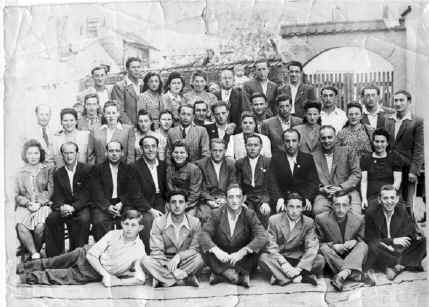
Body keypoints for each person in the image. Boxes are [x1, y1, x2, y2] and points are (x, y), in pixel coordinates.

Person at [17, 209, 146, 286]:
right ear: (122, 224)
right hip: (85, 254)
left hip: (93, 272)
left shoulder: (139, 249)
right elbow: (91, 255)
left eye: (133, 225)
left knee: (58, 276)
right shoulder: (113, 234)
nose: (129, 228)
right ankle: (22, 268)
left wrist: (116, 282)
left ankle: (23, 278)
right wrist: (106, 274)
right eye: (126, 224)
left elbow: (140, 278)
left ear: (140, 228)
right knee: (54, 262)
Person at [199, 184, 268, 288]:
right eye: (231, 197)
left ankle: (220, 273)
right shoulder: (216, 213)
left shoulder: (249, 214)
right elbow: (204, 234)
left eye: (238, 196)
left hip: (241, 256)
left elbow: (262, 236)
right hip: (222, 255)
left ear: (243, 198)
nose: (234, 200)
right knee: (205, 247)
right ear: (226, 199)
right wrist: (217, 251)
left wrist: (243, 251)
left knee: (258, 249)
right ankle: (237, 275)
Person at [140, 191, 204, 288]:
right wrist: (172, 269)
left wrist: (179, 257)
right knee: (145, 260)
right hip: (164, 261)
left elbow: (195, 249)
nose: (177, 205)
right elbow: (156, 251)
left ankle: (163, 279)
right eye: (173, 202)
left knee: (201, 258)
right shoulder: (158, 222)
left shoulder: (195, 222)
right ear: (168, 205)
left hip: (184, 261)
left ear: (186, 205)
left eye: (181, 202)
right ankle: (184, 278)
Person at [259, 193, 324, 286]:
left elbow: (312, 247)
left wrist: (298, 269)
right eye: (291, 206)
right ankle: (300, 277)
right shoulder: (274, 220)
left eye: (298, 207)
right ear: (285, 207)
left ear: (303, 208)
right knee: (263, 258)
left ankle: (280, 276)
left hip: (297, 258)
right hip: (280, 258)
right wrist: (284, 264)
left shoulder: (308, 222)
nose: (294, 211)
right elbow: (271, 245)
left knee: (320, 260)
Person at [365, 185, 426, 280]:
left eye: (392, 198)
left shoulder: (402, 210)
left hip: (398, 250)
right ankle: (404, 264)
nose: (389, 201)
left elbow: (409, 232)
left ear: (397, 199)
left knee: (422, 241)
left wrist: (414, 235)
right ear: (379, 199)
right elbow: (371, 238)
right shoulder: (371, 213)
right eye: (385, 198)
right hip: (383, 248)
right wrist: (392, 241)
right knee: (373, 246)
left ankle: (396, 266)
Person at [316, 195, 374, 291]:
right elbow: (317, 243)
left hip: (352, 256)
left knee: (363, 245)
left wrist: (355, 241)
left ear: (350, 206)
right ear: (331, 205)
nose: (341, 209)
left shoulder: (359, 219)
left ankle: (342, 274)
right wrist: (333, 246)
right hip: (333, 257)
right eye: (337, 205)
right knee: (323, 248)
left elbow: (361, 239)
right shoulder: (321, 219)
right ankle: (356, 275)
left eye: (344, 205)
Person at [45, 142, 92, 257]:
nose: (69, 156)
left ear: (77, 154)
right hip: (65, 206)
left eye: (71, 153)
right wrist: (61, 207)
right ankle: (56, 256)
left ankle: (78, 255)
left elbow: (88, 194)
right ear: (62, 155)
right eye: (66, 153)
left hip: (81, 206)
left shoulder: (87, 169)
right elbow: (57, 195)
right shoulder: (58, 173)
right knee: (52, 219)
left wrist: (74, 207)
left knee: (83, 219)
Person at [90, 141, 142, 241]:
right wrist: (107, 206)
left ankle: (125, 249)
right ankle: (104, 251)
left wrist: (121, 203)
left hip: (123, 203)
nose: (114, 154)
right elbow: (96, 192)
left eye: (117, 151)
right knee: (99, 221)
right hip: (103, 203)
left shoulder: (129, 169)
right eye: (111, 151)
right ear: (106, 153)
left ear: (122, 153)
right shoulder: (97, 169)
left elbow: (132, 190)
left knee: (131, 219)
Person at [382, 90, 424, 210]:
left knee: (408, 202)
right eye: (396, 100)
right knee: (392, 200)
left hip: (407, 168)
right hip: (391, 167)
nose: (398, 103)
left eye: (401, 100)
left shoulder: (417, 121)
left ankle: (411, 227)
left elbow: (419, 148)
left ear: (408, 102)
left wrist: (414, 170)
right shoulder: (388, 120)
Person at [15, 140, 53, 260]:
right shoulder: (19, 172)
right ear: (25, 155)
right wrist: (27, 203)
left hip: (44, 205)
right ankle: (35, 254)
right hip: (25, 206)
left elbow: (51, 190)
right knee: (21, 226)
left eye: (36, 153)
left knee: (40, 227)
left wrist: (40, 203)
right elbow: (16, 194)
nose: (33, 156)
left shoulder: (47, 169)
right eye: (29, 153)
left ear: (40, 154)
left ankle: (33, 249)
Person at [129, 135, 167, 253]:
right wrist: (151, 210)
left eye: (153, 146)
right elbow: (135, 195)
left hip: (160, 201)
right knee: (148, 220)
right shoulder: (134, 167)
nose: (150, 150)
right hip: (144, 203)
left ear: (157, 148)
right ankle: (149, 255)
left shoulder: (163, 165)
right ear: (141, 149)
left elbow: (167, 189)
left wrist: (168, 204)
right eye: (147, 147)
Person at [312, 126, 362, 215]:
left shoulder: (348, 151)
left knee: (355, 213)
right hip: (325, 194)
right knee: (319, 211)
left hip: (347, 191)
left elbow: (356, 174)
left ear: (335, 138)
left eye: (330, 137)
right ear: (319, 139)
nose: (327, 141)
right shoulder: (313, 156)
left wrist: (342, 187)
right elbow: (310, 179)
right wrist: (321, 189)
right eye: (323, 138)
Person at [268, 129, 319, 214]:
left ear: (299, 142)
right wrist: (279, 198)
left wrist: (307, 198)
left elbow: (313, 182)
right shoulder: (276, 159)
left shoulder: (307, 159)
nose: (290, 145)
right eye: (287, 141)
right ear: (283, 143)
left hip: (302, 200)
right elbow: (272, 182)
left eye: (294, 141)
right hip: (283, 200)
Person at [195, 139, 237, 224]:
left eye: (220, 151)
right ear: (210, 150)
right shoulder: (201, 164)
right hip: (207, 199)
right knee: (204, 215)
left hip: (225, 198)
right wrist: (210, 200)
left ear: (225, 151)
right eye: (215, 150)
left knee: (236, 213)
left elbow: (233, 184)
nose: (217, 153)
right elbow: (200, 187)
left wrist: (226, 199)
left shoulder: (230, 164)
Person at [360, 129, 402, 211]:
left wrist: (388, 196)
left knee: (400, 211)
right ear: (373, 142)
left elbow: (397, 181)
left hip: (391, 194)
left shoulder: (395, 158)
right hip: (373, 196)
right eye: (377, 141)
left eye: (382, 141)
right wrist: (364, 199)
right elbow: (364, 181)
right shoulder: (365, 158)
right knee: (372, 212)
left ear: (387, 143)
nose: (379, 144)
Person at [235, 134, 271, 227]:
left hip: (262, 197)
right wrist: (240, 201)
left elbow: (271, 186)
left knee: (265, 213)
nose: (252, 148)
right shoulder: (240, 163)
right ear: (245, 146)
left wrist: (266, 201)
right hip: (247, 198)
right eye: (249, 145)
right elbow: (238, 185)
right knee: (244, 216)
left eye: (256, 145)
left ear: (261, 147)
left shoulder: (268, 162)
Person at [166, 141, 203, 212]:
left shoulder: (194, 169)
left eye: (182, 153)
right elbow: (170, 189)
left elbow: (194, 193)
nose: (179, 155)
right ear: (172, 154)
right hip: (174, 202)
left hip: (190, 204)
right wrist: (175, 204)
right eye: (176, 152)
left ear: (187, 155)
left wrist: (184, 205)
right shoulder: (169, 169)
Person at [111, 57, 143, 125]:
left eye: (138, 67)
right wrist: (130, 127)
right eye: (133, 67)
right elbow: (119, 111)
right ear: (127, 69)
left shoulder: (143, 84)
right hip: (128, 127)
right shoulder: (119, 86)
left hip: (143, 126)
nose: (136, 70)